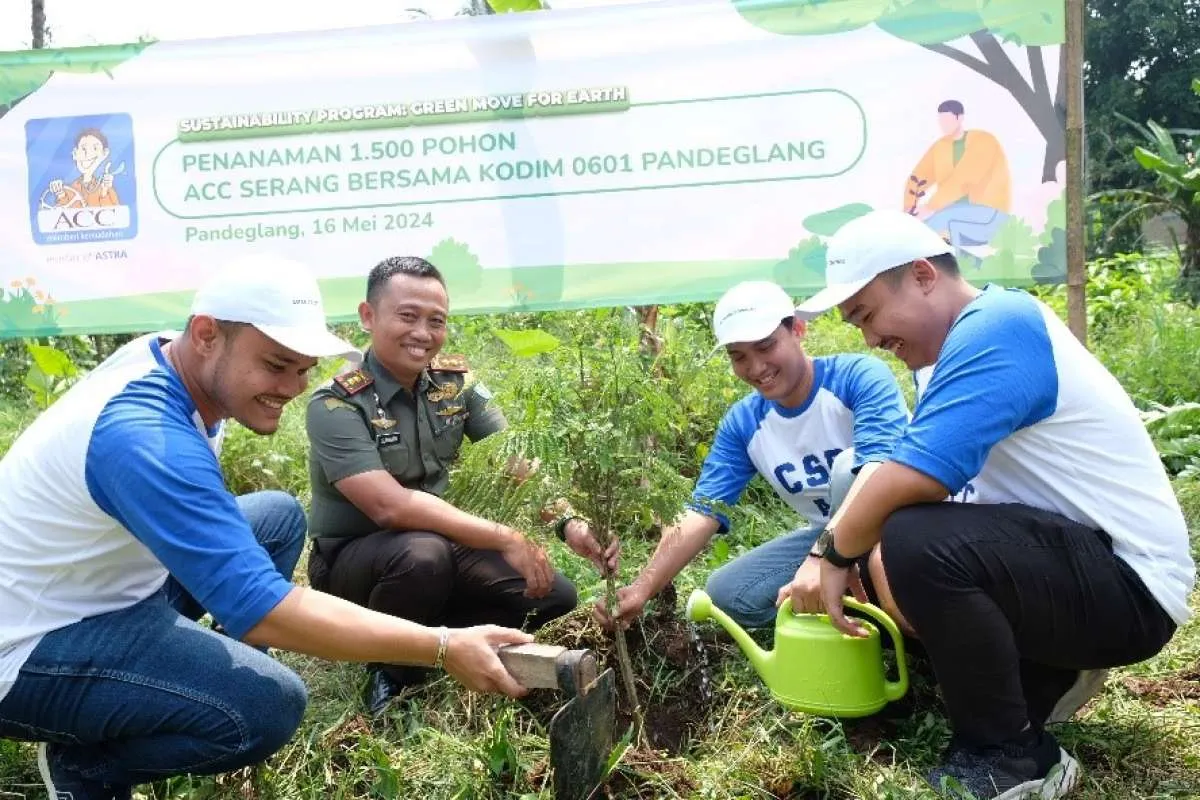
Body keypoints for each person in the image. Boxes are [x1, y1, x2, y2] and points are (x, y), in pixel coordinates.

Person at [0, 254, 537, 800]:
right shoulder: (146, 437)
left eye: (303, 369)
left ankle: (185, 683)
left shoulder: (172, 360)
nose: (292, 386)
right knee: (266, 705)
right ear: (206, 334)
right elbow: (265, 608)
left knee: (277, 517)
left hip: (92, 587)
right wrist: (444, 645)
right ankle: (86, 764)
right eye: (277, 364)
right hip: (30, 647)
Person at [790, 209, 1196, 798]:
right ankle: (1042, 680)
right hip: (1073, 565)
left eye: (868, 315)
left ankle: (1012, 756)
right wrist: (844, 552)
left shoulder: (999, 326)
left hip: (1131, 586)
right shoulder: (948, 356)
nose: (870, 340)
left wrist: (830, 555)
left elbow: (917, 476)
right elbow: (895, 467)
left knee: (914, 539)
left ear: (923, 275)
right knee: (885, 547)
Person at [305, 256, 587, 715]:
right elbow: (390, 507)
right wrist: (505, 537)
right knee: (422, 556)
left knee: (554, 596)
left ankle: (438, 635)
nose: (423, 333)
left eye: (436, 321)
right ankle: (391, 670)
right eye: (408, 316)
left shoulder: (455, 383)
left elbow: (516, 460)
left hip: (440, 544)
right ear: (368, 316)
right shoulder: (335, 403)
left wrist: (570, 523)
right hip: (356, 564)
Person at [589, 280, 909, 630]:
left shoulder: (857, 377)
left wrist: (823, 557)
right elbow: (704, 509)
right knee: (728, 593)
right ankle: (853, 604)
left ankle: (886, 596)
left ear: (797, 330)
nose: (756, 368)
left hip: (900, 522)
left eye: (766, 346)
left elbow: (881, 470)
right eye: (738, 356)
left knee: (851, 470)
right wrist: (641, 588)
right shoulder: (744, 422)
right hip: (825, 536)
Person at [904, 100, 1011, 248]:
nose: (943, 125)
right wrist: (909, 208)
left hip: (990, 213)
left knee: (932, 227)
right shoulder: (940, 147)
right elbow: (918, 177)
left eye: (947, 120)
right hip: (954, 212)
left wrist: (930, 207)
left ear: (960, 118)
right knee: (922, 229)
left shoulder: (984, 141)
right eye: (941, 121)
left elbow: (964, 178)